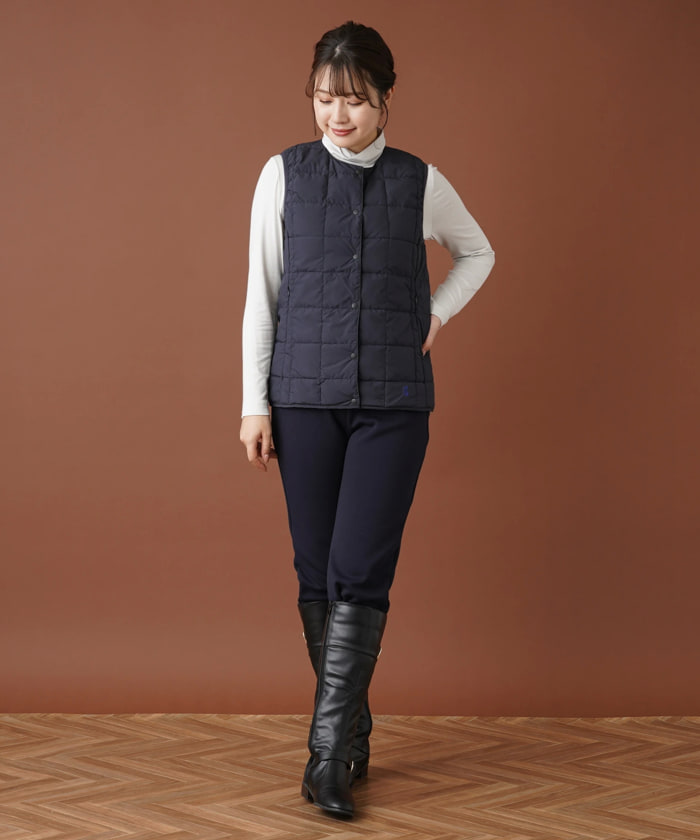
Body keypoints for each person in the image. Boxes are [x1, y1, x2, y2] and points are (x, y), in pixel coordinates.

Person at [240, 21, 494, 819]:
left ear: (385, 100)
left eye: (353, 99)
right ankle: (351, 733)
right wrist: (253, 402)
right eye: (325, 98)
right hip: (302, 400)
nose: (337, 115)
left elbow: (478, 253)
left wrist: (435, 314)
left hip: (393, 405)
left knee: (359, 569)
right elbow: (262, 294)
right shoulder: (282, 175)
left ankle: (325, 761)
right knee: (315, 572)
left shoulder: (420, 182)